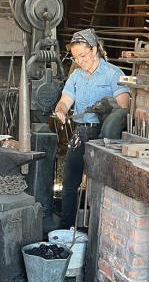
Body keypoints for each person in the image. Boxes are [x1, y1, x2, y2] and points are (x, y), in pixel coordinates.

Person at [52, 28, 129, 229]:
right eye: (76, 57)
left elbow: (124, 107)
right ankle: (66, 230)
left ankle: (95, 231)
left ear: (94, 49)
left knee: (98, 186)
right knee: (69, 183)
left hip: (104, 135)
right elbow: (65, 101)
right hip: (81, 131)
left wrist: (106, 107)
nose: (79, 61)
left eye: (83, 55)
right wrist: (60, 110)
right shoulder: (76, 76)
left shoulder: (113, 74)